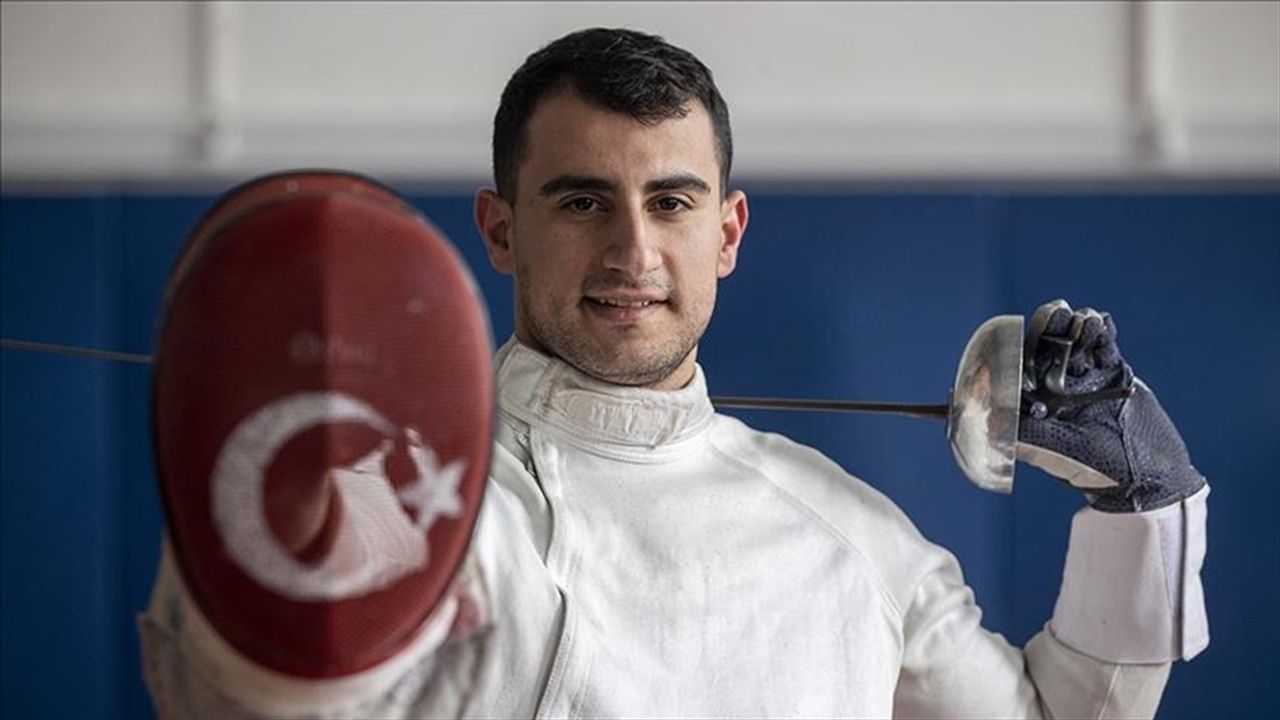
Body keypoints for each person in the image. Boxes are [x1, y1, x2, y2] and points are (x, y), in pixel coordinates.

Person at [140, 27, 1209, 718]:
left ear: (727, 232)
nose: (633, 253)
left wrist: (1142, 508)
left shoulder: (849, 538)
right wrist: (269, 459)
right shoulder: (389, 496)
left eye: (671, 202)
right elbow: (240, 693)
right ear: (500, 229)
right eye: (581, 201)